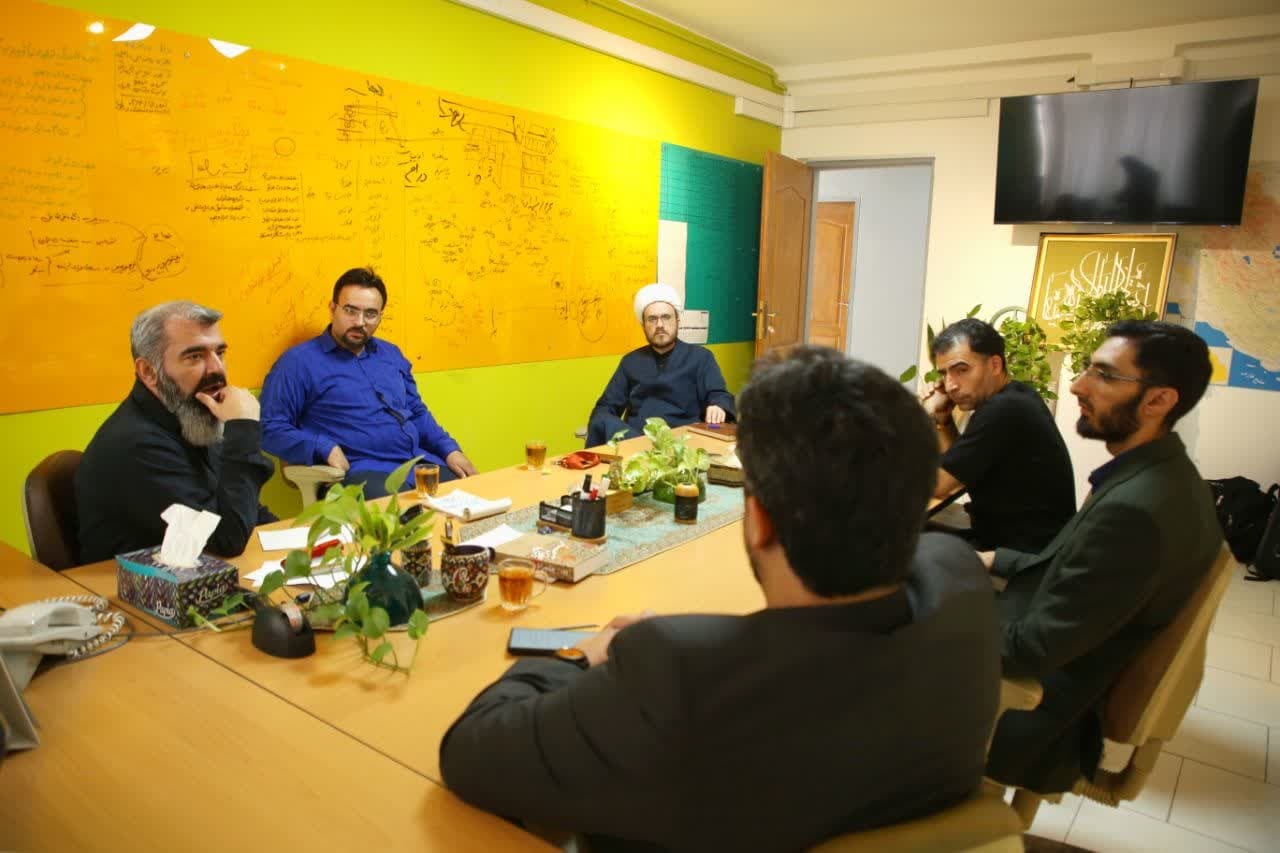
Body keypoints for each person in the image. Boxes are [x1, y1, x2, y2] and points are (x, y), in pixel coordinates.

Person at [440, 347, 1002, 852]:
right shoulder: (961, 584)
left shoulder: (678, 669)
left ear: (758, 519)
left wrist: (585, 653)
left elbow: (469, 753)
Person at [983, 321, 1223, 794]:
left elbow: (1030, 651)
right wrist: (991, 559)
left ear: (1159, 401)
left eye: (1104, 375)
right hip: (1049, 673)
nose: (1077, 386)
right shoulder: (1161, 476)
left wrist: (937, 620)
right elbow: (1074, 569)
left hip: (1026, 718)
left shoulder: (1136, 511)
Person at [77, 302, 276, 563]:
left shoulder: (189, 414)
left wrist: (299, 543)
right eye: (195, 356)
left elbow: (241, 507)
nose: (217, 368)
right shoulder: (136, 445)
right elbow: (226, 540)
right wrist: (242, 429)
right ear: (149, 372)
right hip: (126, 585)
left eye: (220, 353)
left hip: (199, 575)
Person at [259, 267, 477, 498]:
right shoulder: (298, 363)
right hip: (362, 472)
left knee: (472, 498)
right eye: (350, 311)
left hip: (415, 463)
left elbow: (416, 412)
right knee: (402, 513)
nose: (359, 322)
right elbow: (268, 427)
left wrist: (450, 450)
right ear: (332, 309)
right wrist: (322, 447)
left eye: (370, 314)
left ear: (380, 316)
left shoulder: (391, 355)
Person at [924, 318, 1075, 552]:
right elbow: (959, 470)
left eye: (961, 370)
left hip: (1020, 557)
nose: (950, 385)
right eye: (944, 374)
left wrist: (922, 416)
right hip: (1021, 541)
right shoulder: (1018, 395)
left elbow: (936, 485)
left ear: (995, 365)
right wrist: (943, 419)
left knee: (895, 540)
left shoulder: (1003, 410)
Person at [585, 283, 735, 446]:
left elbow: (719, 394)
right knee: (601, 418)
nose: (660, 325)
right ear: (643, 325)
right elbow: (606, 406)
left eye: (666, 317)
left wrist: (718, 406)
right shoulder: (630, 362)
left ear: (677, 320)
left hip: (682, 444)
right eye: (652, 319)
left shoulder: (701, 358)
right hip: (636, 443)